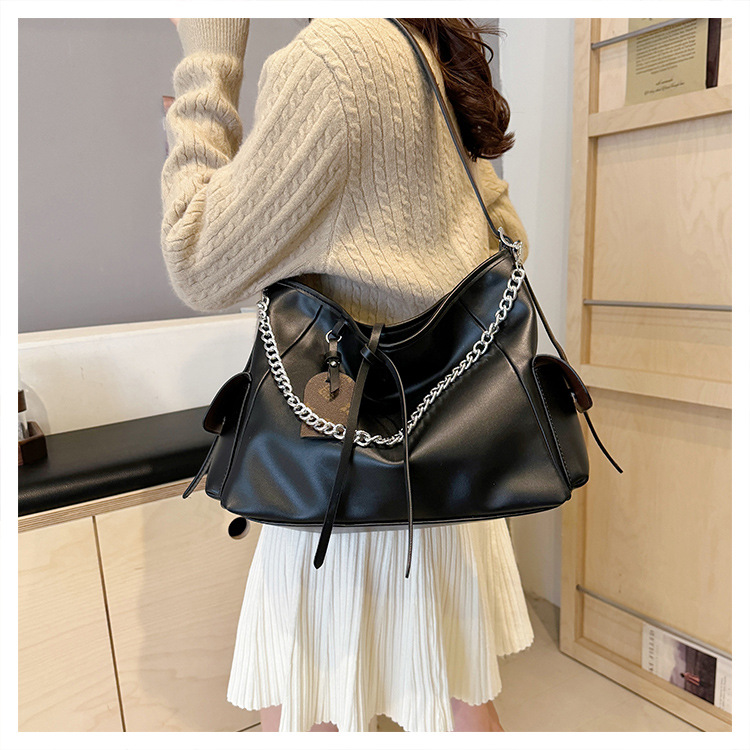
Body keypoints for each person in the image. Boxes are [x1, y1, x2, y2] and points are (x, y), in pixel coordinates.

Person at [161, 17, 534, 733]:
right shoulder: (420, 50)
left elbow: (197, 260)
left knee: (310, 703)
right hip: (445, 458)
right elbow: (511, 243)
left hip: (335, 471)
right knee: (458, 698)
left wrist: (209, 56)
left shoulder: (332, 57)